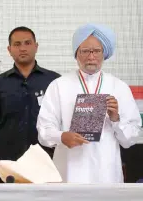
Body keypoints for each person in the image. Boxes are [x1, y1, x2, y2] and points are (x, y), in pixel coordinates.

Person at [37, 23, 142, 183]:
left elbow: (131, 139)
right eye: (85, 51)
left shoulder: (119, 87)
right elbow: (44, 131)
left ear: (104, 53)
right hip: (69, 171)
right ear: (76, 54)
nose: (91, 56)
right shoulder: (59, 85)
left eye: (96, 51)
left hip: (106, 174)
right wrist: (62, 136)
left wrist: (115, 119)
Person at [0, 26, 60, 183]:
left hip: (48, 165)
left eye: (27, 43)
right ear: (9, 50)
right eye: (17, 44)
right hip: (7, 166)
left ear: (36, 46)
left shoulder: (54, 81)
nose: (22, 48)